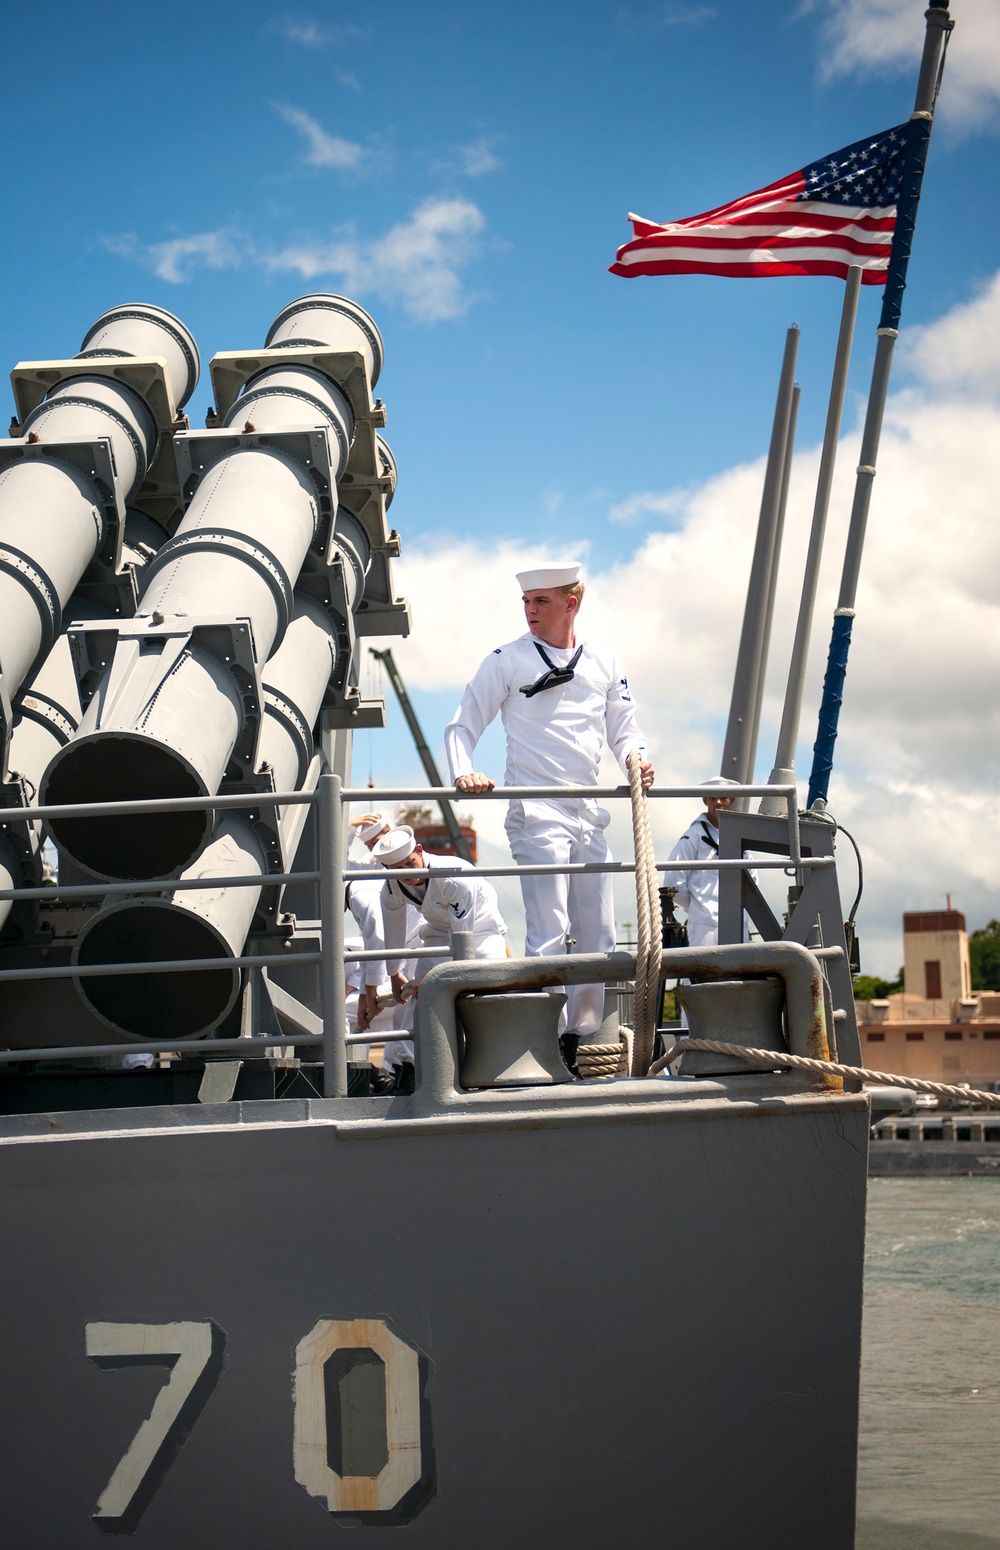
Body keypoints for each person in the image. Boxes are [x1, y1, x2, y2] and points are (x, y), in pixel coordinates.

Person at [444, 563, 653, 1057]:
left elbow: (624, 726)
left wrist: (635, 760)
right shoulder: (507, 660)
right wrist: (463, 771)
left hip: (588, 810)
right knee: (548, 929)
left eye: (540, 602)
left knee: (599, 930)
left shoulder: (602, 661)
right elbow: (463, 722)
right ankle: (546, 1037)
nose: (530, 611)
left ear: (570, 603)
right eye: (526, 602)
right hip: (537, 811)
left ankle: (583, 1036)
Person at [374, 827, 509, 1036]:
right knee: (421, 998)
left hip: (481, 931)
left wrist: (434, 976)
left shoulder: (452, 878)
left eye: (410, 863)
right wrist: (394, 973)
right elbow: (393, 930)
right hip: (437, 932)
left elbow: (463, 936)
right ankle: (413, 1062)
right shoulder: (392, 888)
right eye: (397, 868)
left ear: (419, 850)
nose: (406, 873)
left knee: (490, 992)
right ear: (386, 868)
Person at [346, 813, 421, 1086]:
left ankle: (394, 1071)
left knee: (412, 1008)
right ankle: (396, 1071)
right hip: (406, 949)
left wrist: (369, 992)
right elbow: (373, 944)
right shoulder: (366, 876)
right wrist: (348, 829)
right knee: (404, 1013)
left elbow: (376, 935)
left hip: (418, 945)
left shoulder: (358, 891)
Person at [660, 778, 739, 947]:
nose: (718, 802)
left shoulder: (739, 836)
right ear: (705, 800)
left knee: (740, 973)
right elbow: (673, 881)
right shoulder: (694, 836)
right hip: (704, 926)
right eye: (712, 798)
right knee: (706, 972)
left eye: (723, 798)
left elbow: (752, 879)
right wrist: (699, 907)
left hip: (738, 920)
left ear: (731, 800)